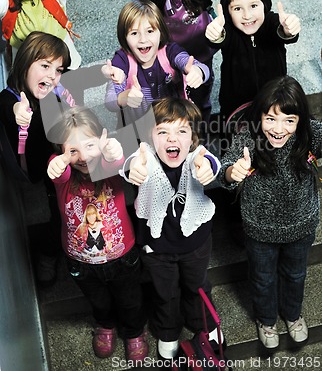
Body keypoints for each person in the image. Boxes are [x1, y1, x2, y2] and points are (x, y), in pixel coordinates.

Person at [218, 76, 321, 349]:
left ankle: (293, 315)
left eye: (289, 120)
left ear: (300, 119)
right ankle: (266, 320)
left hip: (301, 226)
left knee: (296, 274)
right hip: (259, 230)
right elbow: (225, 169)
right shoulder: (247, 138)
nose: (278, 129)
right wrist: (232, 173)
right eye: (271, 118)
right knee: (263, 279)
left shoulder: (308, 134)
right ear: (260, 115)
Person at [120, 97, 222, 360]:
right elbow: (130, 162)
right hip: (157, 247)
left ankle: (203, 324)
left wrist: (208, 167)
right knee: (164, 292)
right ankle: (168, 329)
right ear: (150, 136)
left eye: (181, 131)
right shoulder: (146, 155)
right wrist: (132, 168)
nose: (171, 139)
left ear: (193, 137)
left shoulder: (196, 154)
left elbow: (210, 160)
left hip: (195, 244)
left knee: (197, 285)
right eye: (162, 131)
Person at [47, 105, 148, 362]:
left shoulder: (108, 167)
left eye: (89, 146)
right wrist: (58, 161)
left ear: (101, 141)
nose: (82, 156)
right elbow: (59, 170)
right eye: (72, 150)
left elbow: (114, 161)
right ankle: (106, 325)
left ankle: (134, 331)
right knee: (99, 301)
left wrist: (112, 150)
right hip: (81, 262)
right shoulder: (64, 177)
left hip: (123, 257)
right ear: (60, 152)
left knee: (131, 300)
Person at [0, 31, 71, 286]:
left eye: (58, 69)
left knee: (59, 209)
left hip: (56, 162)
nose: (52, 75)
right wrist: (18, 110)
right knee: (54, 217)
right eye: (44, 66)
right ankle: (49, 255)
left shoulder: (54, 91)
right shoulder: (11, 98)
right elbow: (8, 107)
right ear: (25, 62)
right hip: (32, 166)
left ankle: (60, 248)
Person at [205, 0, 301, 124]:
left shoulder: (272, 22)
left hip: (274, 103)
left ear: (265, 5)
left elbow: (282, 31)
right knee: (232, 142)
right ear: (227, 12)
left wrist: (288, 30)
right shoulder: (229, 29)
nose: (247, 15)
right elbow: (220, 38)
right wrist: (215, 34)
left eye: (254, 6)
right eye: (237, 9)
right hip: (234, 107)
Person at [103, 0, 210, 132]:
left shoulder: (170, 52)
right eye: (134, 33)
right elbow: (110, 101)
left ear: (161, 32)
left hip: (172, 126)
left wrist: (197, 71)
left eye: (150, 31)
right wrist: (124, 97)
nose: (143, 39)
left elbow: (199, 67)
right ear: (124, 38)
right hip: (137, 131)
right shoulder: (122, 60)